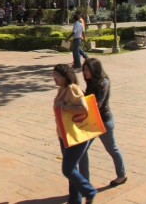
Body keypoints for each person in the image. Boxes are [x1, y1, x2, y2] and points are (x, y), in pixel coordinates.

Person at [52, 63, 97, 203]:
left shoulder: (72, 89)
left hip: (76, 136)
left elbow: (84, 109)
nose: (55, 79)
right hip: (65, 135)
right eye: (54, 76)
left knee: (68, 169)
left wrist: (64, 107)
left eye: (58, 76)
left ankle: (89, 191)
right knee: (72, 171)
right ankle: (74, 200)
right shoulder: (62, 90)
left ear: (66, 76)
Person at [82, 58, 128, 187]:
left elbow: (97, 103)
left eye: (87, 69)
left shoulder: (103, 83)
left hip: (104, 122)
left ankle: (122, 175)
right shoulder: (91, 82)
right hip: (93, 120)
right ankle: (84, 182)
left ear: (94, 69)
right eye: (84, 69)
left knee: (112, 148)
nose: (85, 72)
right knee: (82, 150)